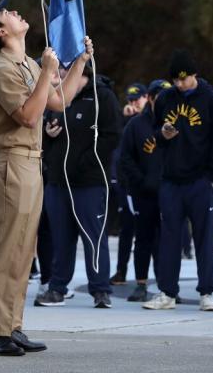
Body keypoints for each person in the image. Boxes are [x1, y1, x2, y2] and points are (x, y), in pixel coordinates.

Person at [0, 0, 93, 356]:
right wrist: (45, 71)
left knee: (24, 251)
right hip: (12, 161)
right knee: (6, 249)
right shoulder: (2, 70)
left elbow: (58, 101)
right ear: (0, 30)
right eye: (6, 13)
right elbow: (28, 115)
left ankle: (11, 325)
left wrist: (79, 63)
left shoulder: (25, 62)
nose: (14, 12)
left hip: (29, 162)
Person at [142, 51, 213, 312]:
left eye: (183, 79)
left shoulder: (211, 99)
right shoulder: (165, 97)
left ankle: (207, 293)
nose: (179, 84)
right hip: (171, 180)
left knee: (203, 238)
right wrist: (163, 133)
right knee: (170, 238)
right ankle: (168, 293)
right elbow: (155, 130)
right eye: (175, 80)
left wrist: (212, 177)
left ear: (194, 74)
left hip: (200, 179)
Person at [36, 64, 122, 309]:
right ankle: (57, 287)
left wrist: (85, 162)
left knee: (94, 238)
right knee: (61, 238)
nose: (59, 75)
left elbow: (112, 136)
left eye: (63, 69)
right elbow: (43, 134)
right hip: (58, 182)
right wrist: (49, 136)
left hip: (90, 183)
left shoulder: (102, 96)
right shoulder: (57, 96)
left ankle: (101, 290)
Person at [118, 79, 170, 302]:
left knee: (166, 239)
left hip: (169, 191)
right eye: (159, 96)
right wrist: (142, 181)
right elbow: (125, 158)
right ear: (150, 98)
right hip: (143, 192)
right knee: (143, 239)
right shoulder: (136, 125)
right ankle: (141, 283)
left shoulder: (175, 122)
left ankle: (165, 283)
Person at [109, 83, 146, 286]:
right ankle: (121, 271)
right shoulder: (125, 122)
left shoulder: (149, 120)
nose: (133, 104)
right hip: (126, 183)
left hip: (144, 184)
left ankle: (149, 276)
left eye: (137, 99)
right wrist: (125, 119)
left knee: (146, 232)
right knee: (126, 230)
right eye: (130, 100)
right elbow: (118, 146)